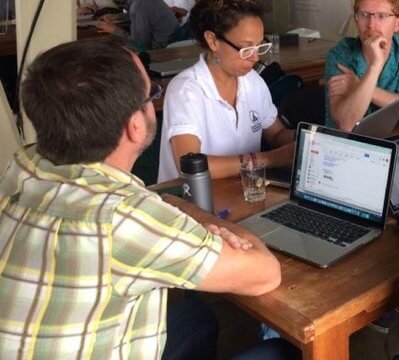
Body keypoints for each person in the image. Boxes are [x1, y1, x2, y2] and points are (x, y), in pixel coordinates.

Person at [0, 38, 297, 359]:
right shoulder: (123, 218)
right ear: (135, 126)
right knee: (279, 351)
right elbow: (265, 273)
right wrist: (189, 210)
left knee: (195, 320)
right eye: (152, 95)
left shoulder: (22, 166)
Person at [157, 0, 294, 182]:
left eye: (259, 46)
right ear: (213, 41)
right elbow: (190, 167)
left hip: (240, 192)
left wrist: (306, 139)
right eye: (246, 48)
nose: (255, 57)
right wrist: (269, 158)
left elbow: (277, 135)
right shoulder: (186, 91)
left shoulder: (253, 82)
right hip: (188, 201)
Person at [324, 0, 399, 130]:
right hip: (343, 145)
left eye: (382, 16)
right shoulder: (340, 54)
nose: (371, 25)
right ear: (356, 19)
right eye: (364, 15)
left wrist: (359, 86)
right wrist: (375, 65)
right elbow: (346, 125)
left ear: (398, 23)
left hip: (388, 140)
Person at [96, 0, 179, 50]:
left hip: (161, 50)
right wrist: (118, 16)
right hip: (173, 42)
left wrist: (114, 30)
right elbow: (142, 14)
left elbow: (139, 43)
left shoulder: (138, 5)